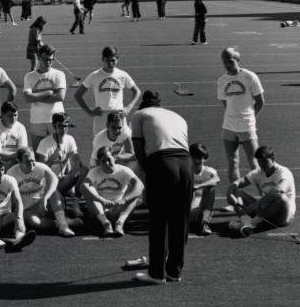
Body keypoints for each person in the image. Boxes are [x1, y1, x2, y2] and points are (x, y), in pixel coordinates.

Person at [130, 90, 193, 284]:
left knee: (159, 219)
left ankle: (156, 273)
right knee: (180, 219)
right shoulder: (178, 116)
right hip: (186, 164)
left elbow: (139, 150)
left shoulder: (139, 115)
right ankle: (174, 271)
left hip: (162, 162)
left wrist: (149, 175)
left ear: (143, 104)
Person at [7, 147, 78, 237]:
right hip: (28, 210)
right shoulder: (11, 173)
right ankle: (63, 222)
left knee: (52, 189)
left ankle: (63, 225)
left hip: (46, 205)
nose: (31, 164)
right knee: (33, 222)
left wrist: (45, 198)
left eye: (32, 160)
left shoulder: (40, 167)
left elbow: (54, 179)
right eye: (27, 162)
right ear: (19, 162)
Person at [218, 47, 264, 185]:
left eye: (231, 61)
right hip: (228, 128)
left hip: (246, 127)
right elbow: (226, 104)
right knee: (233, 162)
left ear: (238, 60)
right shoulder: (221, 81)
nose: (227, 64)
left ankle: (264, 199)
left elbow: (260, 101)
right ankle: (236, 199)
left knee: (255, 165)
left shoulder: (249, 76)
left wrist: (251, 117)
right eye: (225, 62)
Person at [226, 146, 295, 238]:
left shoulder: (283, 172)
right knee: (236, 192)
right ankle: (247, 225)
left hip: (282, 216)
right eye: (259, 161)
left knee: (281, 197)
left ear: (273, 159)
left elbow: (279, 191)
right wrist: (229, 193)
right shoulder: (258, 172)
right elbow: (239, 182)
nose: (262, 164)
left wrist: (256, 205)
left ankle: (251, 223)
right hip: (264, 212)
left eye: (265, 161)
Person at [74, 46, 140, 136]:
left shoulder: (123, 75)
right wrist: (89, 112)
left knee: (120, 146)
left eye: (113, 60)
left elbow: (137, 91)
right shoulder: (94, 76)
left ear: (117, 59)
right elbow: (78, 95)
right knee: (100, 147)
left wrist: (128, 107)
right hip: (101, 116)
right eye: (107, 60)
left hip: (118, 116)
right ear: (102, 59)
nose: (111, 63)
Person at [81, 147, 144, 237]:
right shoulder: (94, 172)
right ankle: (106, 224)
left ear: (114, 158)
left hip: (120, 209)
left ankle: (120, 223)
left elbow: (140, 185)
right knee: (89, 195)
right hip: (100, 211)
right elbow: (83, 187)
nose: (107, 163)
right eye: (103, 161)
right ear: (98, 162)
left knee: (134, 193)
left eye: (109, 159)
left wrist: (124, 200)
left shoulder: (123, 170)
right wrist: (101, 199)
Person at [36, 112, 86, 206]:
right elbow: (40, 170)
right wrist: (54, 156)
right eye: (60, 126)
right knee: (59, 206)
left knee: (83, 169)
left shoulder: (70, 139)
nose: (63, 129)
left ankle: (75, 203)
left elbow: (76, 157)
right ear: (54, 126)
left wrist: (77, 163)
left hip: (62, 180)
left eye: (66, 126)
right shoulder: (45, 143)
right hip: (50, 183)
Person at [23, 44, 67, 150]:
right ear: (39, 57)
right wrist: (47, 93)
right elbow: (27, 98)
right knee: (38, 154)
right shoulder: (30, 76)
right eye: (45, 59)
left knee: (60, 152)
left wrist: (36, 96)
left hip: (56, 119)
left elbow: (60, 97)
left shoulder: (59, 74)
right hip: (37, 120)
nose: (48, 62)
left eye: (50, 60)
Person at [90, 111, 142, 181]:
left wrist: (115, 158)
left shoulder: (125, 131)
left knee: (136, 163)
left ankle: (129, 185)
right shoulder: (99, 140)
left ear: (123, 125)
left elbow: (132, 154)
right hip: (100, 164)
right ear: (107, 126)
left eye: (119, 128)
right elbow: (98, 162)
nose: (117, 131)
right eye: (113, 127)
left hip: (116, 161)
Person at [188, 142, 219, 236]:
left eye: (200, 158)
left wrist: (198, 186)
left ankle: (205, 223)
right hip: (185, 211)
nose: (197, 161)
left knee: (210, 188)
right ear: (190, 157)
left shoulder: (208, 171)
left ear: (205, 159)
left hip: (200, 211)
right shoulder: (186, 170)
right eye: (194, 157)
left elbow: (216, 180)